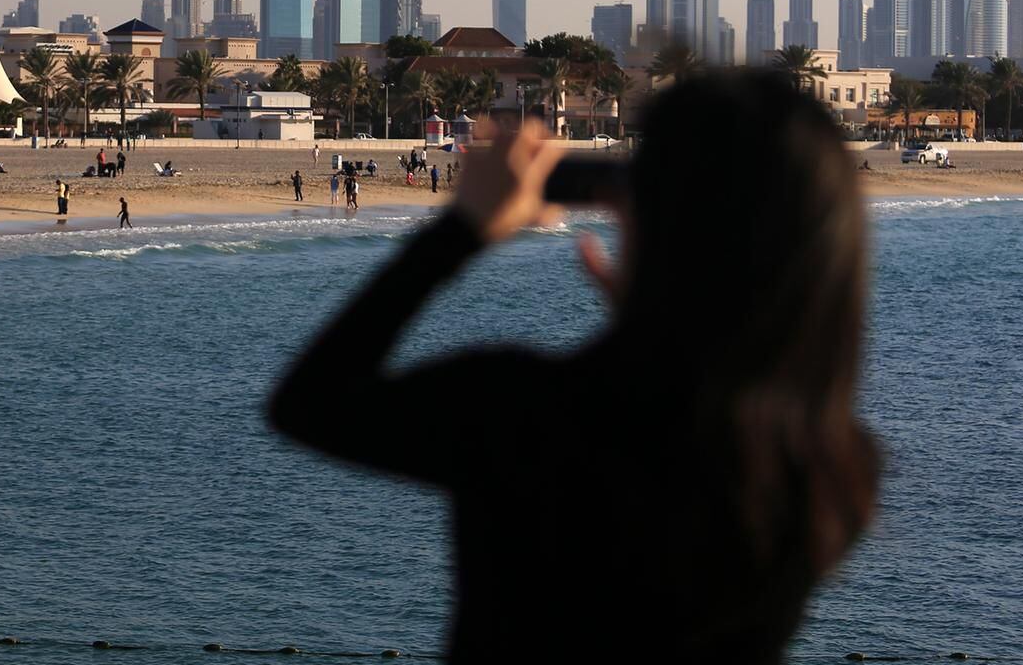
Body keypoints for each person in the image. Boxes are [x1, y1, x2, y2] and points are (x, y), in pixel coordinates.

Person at [269, 73, 880, 663]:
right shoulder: (833, 471)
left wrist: (462, 228)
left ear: (648, 221)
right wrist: (664, 323)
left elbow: (310, 402)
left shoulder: (523, 418)